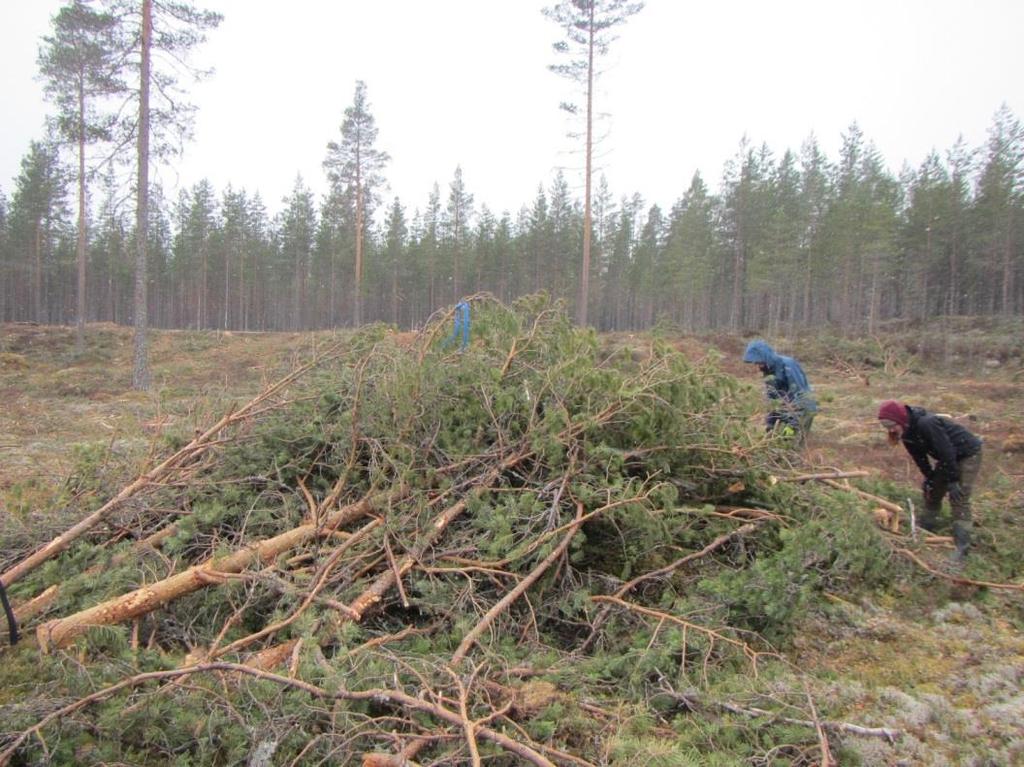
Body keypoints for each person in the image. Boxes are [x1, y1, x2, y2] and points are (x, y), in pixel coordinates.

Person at [877, 399, 983, 564]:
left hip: (967, 453)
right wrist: (930, 478)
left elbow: (946, 451)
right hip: (948, 458)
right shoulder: (906, 433)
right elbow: (920, 458)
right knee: (932, 491)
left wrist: (953, 481)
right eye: (886, 427)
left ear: (900, 419)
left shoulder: (927, 423)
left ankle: (962, 546)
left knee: (959, 497)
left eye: (892, 425)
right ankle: (927, 525)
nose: (891, 430)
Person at [742, 339, 817, 443]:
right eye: (756, 363)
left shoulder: (788, 365)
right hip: (785, 411)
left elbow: (800, 395)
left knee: (793, 446)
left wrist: (793, 424)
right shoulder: (768, 371)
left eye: (759, 362)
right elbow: (773, 398)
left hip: (803, 410)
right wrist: (770, 423)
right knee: (777, 442)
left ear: (765, 357)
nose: (758, 366)